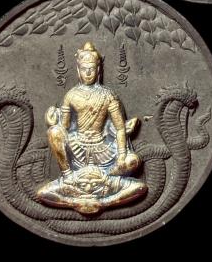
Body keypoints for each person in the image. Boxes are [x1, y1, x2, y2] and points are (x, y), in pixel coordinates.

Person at [37, 42, 146, 214]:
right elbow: (64, 128)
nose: (88, 73)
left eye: (92, 69)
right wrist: (53, 123)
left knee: (132, 161)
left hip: (104, 151)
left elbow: (119, 128)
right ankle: (69, 176)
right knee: (54, 132)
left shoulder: (108, 95)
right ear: (78, 70)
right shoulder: (71, 95)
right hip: (77, 148)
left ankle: (103, 195)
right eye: (84, 69)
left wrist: (121, 155)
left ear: (98, 70)